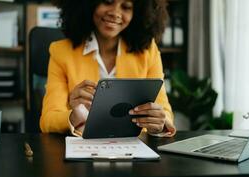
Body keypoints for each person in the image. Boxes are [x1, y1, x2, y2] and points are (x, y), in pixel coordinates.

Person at [40, 0, 176, 137]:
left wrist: (158, 124)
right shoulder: (61, 52)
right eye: (108, 2)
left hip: (134, 146)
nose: (115, 13)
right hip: (83, 147)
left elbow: (164, 110)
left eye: (126, 7)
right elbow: (48, 120)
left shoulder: (148, 52)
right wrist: (75, 114)